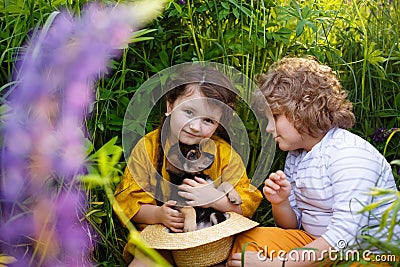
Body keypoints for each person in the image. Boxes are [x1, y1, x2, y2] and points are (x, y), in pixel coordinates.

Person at [227, 57, 399, 267]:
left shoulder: (349, 155)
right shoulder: (297, 155)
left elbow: (345, 238)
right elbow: (291, 227)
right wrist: (281, 202)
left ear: (301, 110)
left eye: (275, 117)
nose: (269, 128)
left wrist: (276, 264)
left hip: (364, 253)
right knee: (247, 243)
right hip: (315, 245)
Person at [113, 64, 263, 266]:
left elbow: (244, 206)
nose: (195, 126)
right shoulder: (148, 148)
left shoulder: (224, 154)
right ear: (170, 106)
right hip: (161, 240)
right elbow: (129, 204)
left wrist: (214, 200)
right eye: (189, 112)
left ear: (219, 125)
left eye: (208, 120)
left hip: (210, 243)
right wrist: (159, 214)